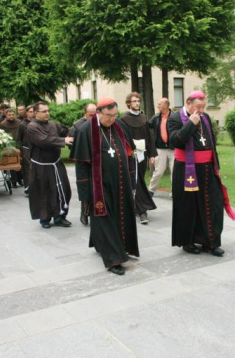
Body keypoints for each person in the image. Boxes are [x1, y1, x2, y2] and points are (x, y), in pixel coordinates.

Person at [71, 97, 139, 275]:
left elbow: (129, 154)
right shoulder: (86, 130)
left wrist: (131, 177)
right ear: (98, 113)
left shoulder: (119, 127)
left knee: (119, 216)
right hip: (99, 185)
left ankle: (113, 246)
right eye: (109, 116)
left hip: (121, 182)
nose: (112, 119)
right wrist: (84, 193)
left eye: (115, 115)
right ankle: (113, 259)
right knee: (104, 218)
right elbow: (81, 164)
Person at [169, 90, 235, 257]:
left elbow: (212, 144)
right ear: (188, 103)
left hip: (207, 168)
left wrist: (217, 166)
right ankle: (188, 241)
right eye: (198, 107)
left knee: (213, 204)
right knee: (188, 207)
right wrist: (191, 124)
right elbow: (174, 142)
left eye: (203, 106)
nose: (200, 110)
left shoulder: (206, 118)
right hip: (187, 169)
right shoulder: (176, 118)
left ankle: (211, 242)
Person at [27, 101, 73, 228]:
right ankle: (45, 219)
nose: (47, 113)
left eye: (48, 110)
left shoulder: (53, 124)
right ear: (36, 113)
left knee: (62, 189)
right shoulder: (32, 127)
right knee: (44, 192)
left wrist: (76, 130)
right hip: (41, 166)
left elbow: (65, 131)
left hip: (56, 164)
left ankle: (60, 216)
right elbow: (43, 141)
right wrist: (63, 140)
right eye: (44, 111)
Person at [119, 92, 157, 224]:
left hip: (142, 153)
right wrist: (131, 145)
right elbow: (121, 138)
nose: (136, 103)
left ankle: (135, 207)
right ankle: (142, 210)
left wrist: (152, 154)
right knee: (135, 180)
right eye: (134, 101)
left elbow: (149, 137)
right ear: (129, 103)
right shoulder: (123, 119)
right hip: (130, 154)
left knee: (139, 178)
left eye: (138, 101)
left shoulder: (144, 118)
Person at [68, 103, 97, 225]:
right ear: (85, 113)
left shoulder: (98, 125)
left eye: (95, 114)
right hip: (82, 164)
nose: (93, 117)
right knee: (85, 189)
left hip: (96, 162)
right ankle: (84, 213)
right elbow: (70, 143)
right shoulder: (77, 126)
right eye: (91, 115)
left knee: (97, 189)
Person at [148, 98, 175, 197]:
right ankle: (151, 190)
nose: (158, 105)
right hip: (160, 148)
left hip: (174, 149)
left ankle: (174, 192)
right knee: (158, 171)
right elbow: (148, 126)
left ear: (166, 105)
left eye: (159, 104)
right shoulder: (156, 117)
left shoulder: (175, 117)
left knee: (175, 171)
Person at [0, 108, 23, 187]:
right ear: (6, 115)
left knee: (20, 163)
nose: (11, 116)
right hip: (9, 146)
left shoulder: (19, 122)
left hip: (18, 145)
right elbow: (1, 135)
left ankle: (20, 179)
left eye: (13, 114)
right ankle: (13, 181)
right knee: (12, 163)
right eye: (9, 115)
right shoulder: (3, 124)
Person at [15, 105, 34, 194]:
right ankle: (28, 187)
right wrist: (20, 152)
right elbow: (18, 139)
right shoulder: (22, 124)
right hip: (26, 149)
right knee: (28, 169)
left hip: (36, 149)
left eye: (33, 111)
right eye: (30, 111)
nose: (32, 113)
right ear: (26, 113)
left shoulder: (36, 123)